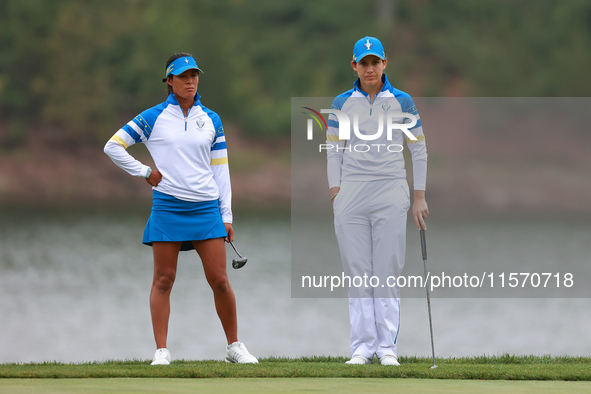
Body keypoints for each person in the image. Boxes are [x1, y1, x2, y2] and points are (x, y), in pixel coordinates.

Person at [104, 52, 258, 365]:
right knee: (163, 279)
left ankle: (234, 346)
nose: (190, 82)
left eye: (194, 76)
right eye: (183, 77)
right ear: (170, 81)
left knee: (220, 280)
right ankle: (161, 351)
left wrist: (226, 215)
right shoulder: (152, 117)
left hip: (206, 209)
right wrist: (145, 172)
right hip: (168, 207)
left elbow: (221, 170)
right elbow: (113, 146)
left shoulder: (211, 119)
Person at [326, 37, 428, 365]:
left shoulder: (402, 101)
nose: (370, 69)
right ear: (354, 66)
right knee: (357, 271)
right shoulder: (342, 102)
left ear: (385, 64)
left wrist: (419, 197)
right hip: (352, 192)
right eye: (363, 63)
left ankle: (386, 349)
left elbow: (418, 149)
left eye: (375, 62)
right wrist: (335, 193)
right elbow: (333, 150)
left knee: (386, 270)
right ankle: (362, 347)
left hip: (391, 190)